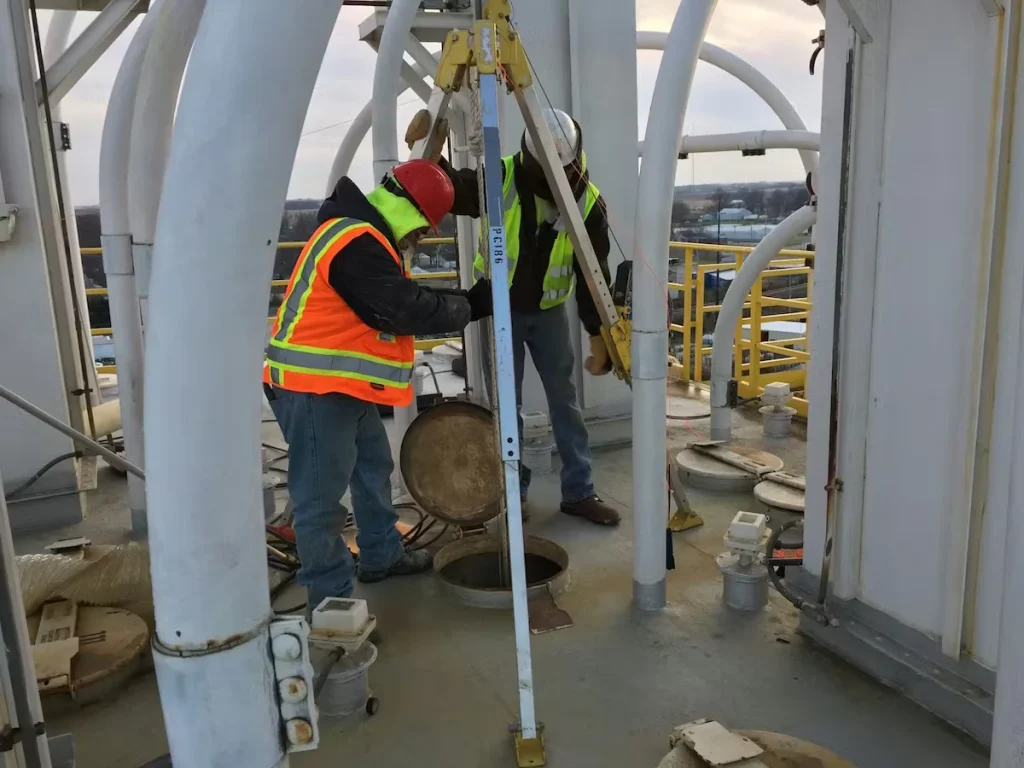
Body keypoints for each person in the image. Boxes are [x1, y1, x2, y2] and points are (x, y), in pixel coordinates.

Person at [263, 159, 493, 610]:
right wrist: (468, 306)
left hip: (342, 385)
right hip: (314, 390)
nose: (421, 238)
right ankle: (333, 608)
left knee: (372, 469)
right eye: (424, 228)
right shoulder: (354, 241)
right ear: (410, 211)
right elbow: (398, 309)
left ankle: (381, 554)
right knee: (319, 504)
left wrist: (464, 303)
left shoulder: (363, 236)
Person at [408, 107, 621, 527]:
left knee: (565, 402)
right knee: (507, 408)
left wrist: (599, 335)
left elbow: (593, 276)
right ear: (531, 159)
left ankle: (579, 492)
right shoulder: (500, 178)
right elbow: (452, 188)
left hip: (548, 313)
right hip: (500, 310)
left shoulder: (587, 205)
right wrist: (426, 156)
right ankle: (512, 493)